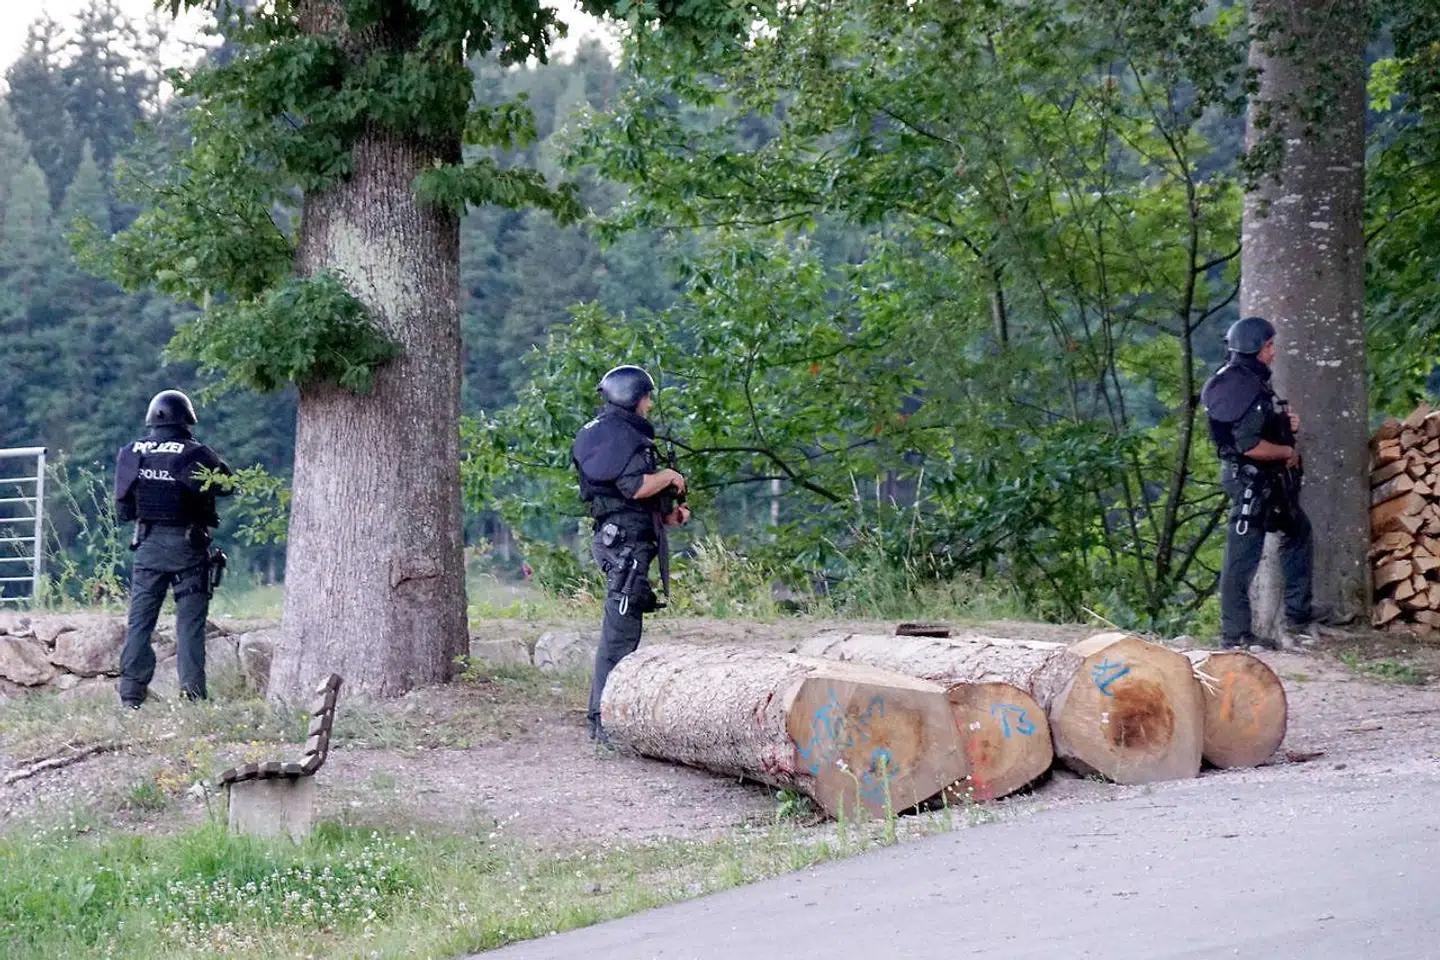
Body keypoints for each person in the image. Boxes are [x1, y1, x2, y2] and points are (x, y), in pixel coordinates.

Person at [570, 365, 690, 744]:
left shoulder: (605, 435)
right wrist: (670, 476)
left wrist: (668, 515)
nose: (649, 404)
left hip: (622, 538)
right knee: (619, 632)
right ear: (634, 397)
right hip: (625, 547)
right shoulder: (622, 436)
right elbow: (633, 486)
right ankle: (602, 721)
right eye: (647, 397)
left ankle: (610, 715)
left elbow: (624, 499)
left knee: (626, 625)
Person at [113, 389, 232, 708]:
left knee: (140, 623)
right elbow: (227, 485)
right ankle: (192, 697)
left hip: (147, 546)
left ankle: (130, 696)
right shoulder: (194, 453)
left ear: (153, 419)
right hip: (187, 548)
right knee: (189, 624)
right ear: (186, 419)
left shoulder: (131, 451)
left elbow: (123, 509)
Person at [1201, 316, 1314, 650]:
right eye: (1268, 346)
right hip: (1251, 482)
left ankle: (1297, 619)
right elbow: (1249, 446)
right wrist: (1286, 450)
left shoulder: (1243, 380)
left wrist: (1284, 422)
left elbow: (1258, 424)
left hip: (1265, 481)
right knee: (1242, 556)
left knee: (1298, 532)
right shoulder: (1244, 386)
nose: (1273, 352)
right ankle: (1235, 635)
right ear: (1254, 349)